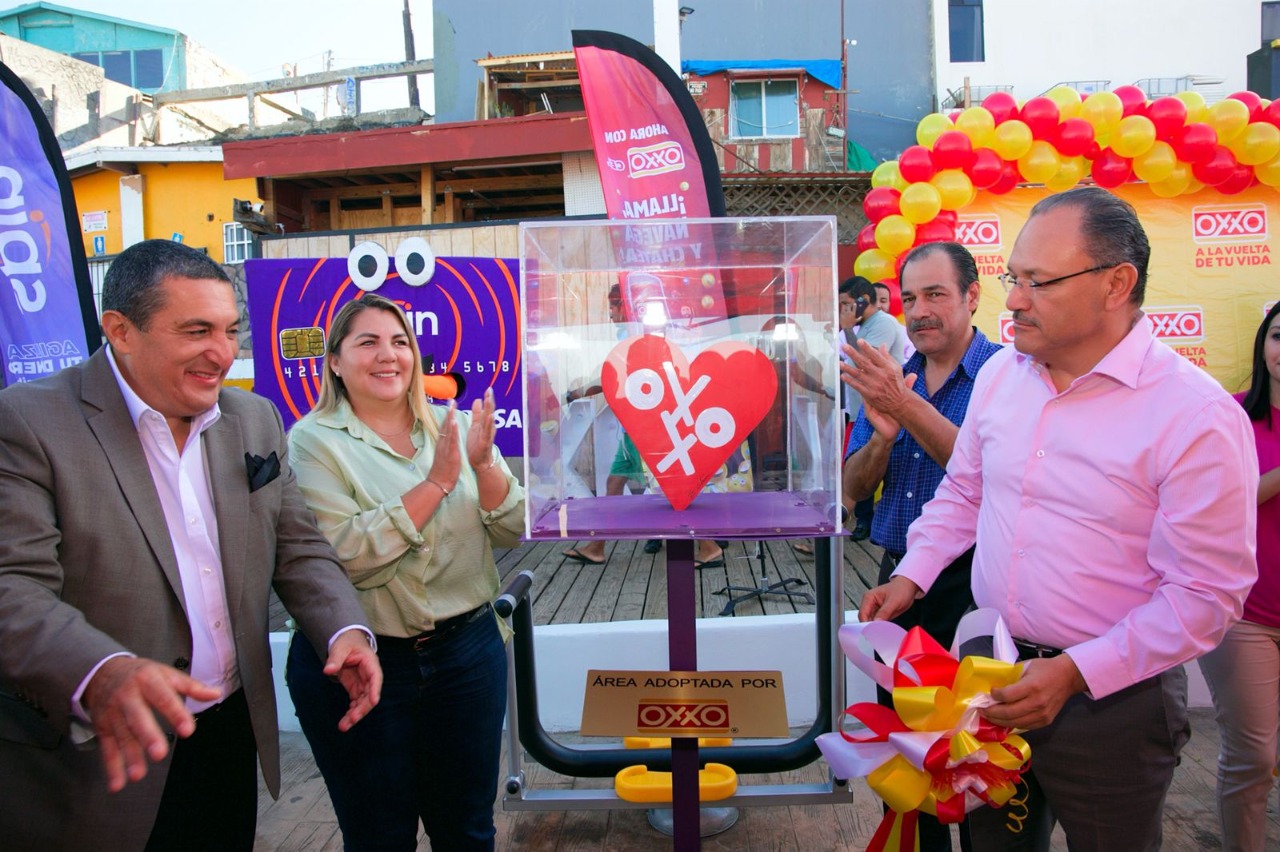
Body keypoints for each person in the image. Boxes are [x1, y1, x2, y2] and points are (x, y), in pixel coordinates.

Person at [859, 187, 1258, 851]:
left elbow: (1207, 596)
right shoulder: (1002, 378)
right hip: (988, 672)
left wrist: (1075, 672)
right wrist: (915, 575)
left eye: (1038, 282)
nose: (1013, 299)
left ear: (1116, 284)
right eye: (1015, 277)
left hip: (1114, 698)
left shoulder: (1195, 417)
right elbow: (965, 492)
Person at [0, 239, 382, 852]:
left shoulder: (254, 419)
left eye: (231, 330)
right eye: (196, 330)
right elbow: (11, 587)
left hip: (230, 733)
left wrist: (344, 631)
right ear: (121, 331)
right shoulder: (28, 423)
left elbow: (300, 547)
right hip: (96, 752)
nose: (222, 353)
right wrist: (101, 671)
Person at [285, 293, 525, 851]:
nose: (387, 355)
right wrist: (436, 483)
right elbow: (344, 555)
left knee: (468, 829)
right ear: (336, 363)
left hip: (467, 656)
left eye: (399, 342)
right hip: (363, 664)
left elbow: (510, 529)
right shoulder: (312, 441)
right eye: (366, 342)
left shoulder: (453, 425)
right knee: (378, 837)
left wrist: (484, 463)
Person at [842, 241, 999, 852]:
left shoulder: (1003, 375)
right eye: (909, 298)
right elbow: (853, 491)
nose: (920, 311)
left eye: (936, 294)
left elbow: (980, 477)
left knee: (979, 760)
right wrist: (881, 438)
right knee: (906, 757)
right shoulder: (893, 377)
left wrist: (903, 407)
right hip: (898, 583)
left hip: (974, 587)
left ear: (973, 296)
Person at [1198, 300, 1280, 852]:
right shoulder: (1231, 417)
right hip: (1246, 615)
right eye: (1278, 336)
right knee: (1255, 758)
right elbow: (1223, 503)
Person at [845, 275, 904, 540]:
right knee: (861, 462)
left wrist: (845, 328)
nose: (843, 310)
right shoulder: (866, 325)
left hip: (881, 408)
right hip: (863, 408)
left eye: (847, 304)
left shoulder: (884, 324)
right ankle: (863, 521)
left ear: (862, 301)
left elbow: (862, 363)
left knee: (873, 461)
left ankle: (866, 522)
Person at [873, 280, 912, 363]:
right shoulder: (849, 332)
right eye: (873, 301)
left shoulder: (905, 332)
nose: (878, 305)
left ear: (889, 303)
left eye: (883, 301)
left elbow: (913, 361)